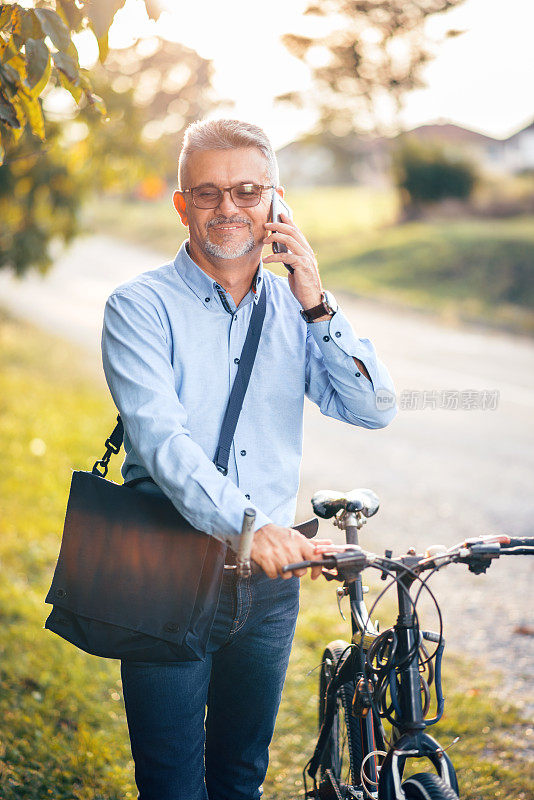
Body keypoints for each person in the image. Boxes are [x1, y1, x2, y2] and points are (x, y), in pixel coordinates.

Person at [101, 118, 397, 800]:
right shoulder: (139, 307)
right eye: (207, 193)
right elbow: (162, 442)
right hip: (164, 567)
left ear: (275, 202)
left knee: (241, 776)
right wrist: (251, 526)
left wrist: (318, 301)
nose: (227, 207)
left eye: (246, 190)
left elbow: (373, 408)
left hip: (268, 588)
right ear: (181, 204)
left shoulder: (299, 309)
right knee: (174, 784)